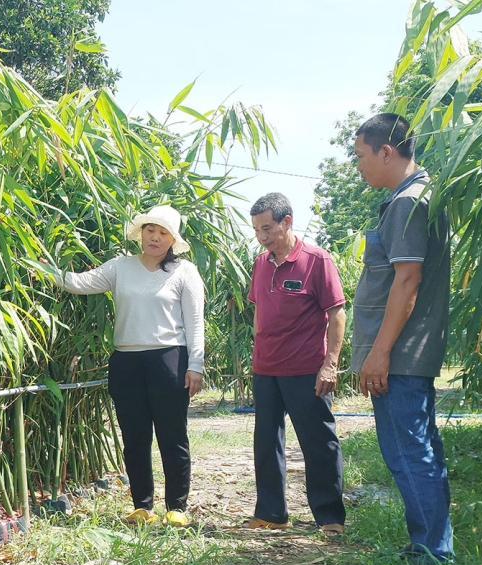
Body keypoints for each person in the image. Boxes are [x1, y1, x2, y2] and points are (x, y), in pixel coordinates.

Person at [44, 205, 205, 527]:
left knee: (172, 436)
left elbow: (195, 322)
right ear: (140, 233)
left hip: (169, 359)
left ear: (173, 239)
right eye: (150, 230)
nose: (155, 237)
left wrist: (196, 365)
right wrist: (42, 268)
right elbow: (79, 282)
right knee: (134, 436)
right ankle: (142, 506)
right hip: (126, 361)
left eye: (163, 233)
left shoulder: (184, 271)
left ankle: (177, 507)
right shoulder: (120, 267)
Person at [351, 113, 453, 565]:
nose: (359, 168)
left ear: (386, 151)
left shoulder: (409, 202)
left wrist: (380, 351)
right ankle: (430, 546)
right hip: (409, 351)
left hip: (402, 354)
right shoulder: (416, 197)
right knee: (418, 450)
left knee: (409, 453)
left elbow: (407, 279)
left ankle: (432, 558)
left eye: (361, 157)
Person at [243, 193, 347, 536]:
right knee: (266, 441)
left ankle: (329, 517)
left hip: (306, 369)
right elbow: (259, 310)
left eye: (268, 228)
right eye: (257, 229)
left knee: (318, 441)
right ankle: (272, 513)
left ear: (287, 222)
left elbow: (337, 314)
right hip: (266, 369)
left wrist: (330, 364)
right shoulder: (261, 264)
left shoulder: (317, 261)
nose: (262, 236)